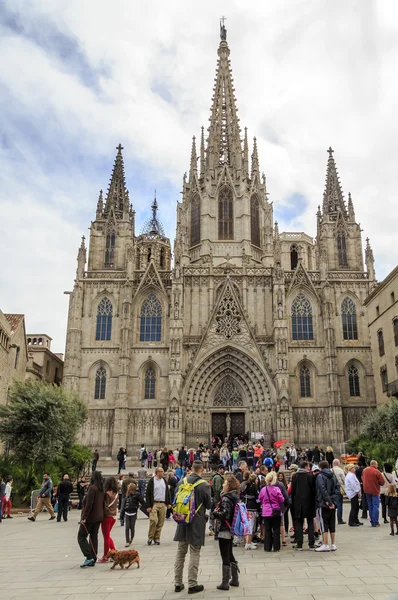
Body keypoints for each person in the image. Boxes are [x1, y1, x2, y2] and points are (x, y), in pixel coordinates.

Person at [173, 460, 212, 594]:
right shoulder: (204, 485)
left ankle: (178, 583)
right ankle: (192, 584)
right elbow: (209, 505)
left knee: (180, 552)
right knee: (195, 552)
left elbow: (175, 499)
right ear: (202, 469)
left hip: (182, 520)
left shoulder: (181, 482)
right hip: (196, 522)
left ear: (191, 469)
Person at [213, 474, 241, 590]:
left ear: (228, 485)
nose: (223, 484)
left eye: (225, 483)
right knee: (229, 553)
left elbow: (225, 515)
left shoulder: (226, 498)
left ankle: (225, 582)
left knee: (225, 555)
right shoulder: (234, 496)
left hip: (224, 529)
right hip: (230, 529)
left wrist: (215, 513)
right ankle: (235, 579)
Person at [77, 470, 105, 568]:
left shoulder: (92, 488)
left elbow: (89, 504)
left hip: (90, 517)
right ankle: (93, 557)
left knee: (81, 536)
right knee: (93, 536)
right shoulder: (101, 488)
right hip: (98, 517)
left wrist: (84, 517)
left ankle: (89, 556)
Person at [291, 461, 316, 550]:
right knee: (310, 522)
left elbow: (293, 491)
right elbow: (314, 490)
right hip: (309, 503)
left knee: (299, 524)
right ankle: (311, 544)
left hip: (298, 503)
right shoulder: (310, 476)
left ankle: (300, 544)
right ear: (306, 467)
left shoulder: (295, 476)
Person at [315, 460, 339, 552]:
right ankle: (333, 544)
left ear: (320, 468)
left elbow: (322, 489)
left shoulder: (320, 476)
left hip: (324, 502)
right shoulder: (333, 475)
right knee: (332, 522)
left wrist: (328, 501)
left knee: (323, 523)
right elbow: (337, 488)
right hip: (333, 502)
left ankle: (325, 544)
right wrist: (333, 500)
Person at [258, 472, 285, 552]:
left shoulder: (263, 489)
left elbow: (260, 499)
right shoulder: (276, 489)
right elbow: (282, 499)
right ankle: (276, 547)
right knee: (276, 529)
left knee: (267, 529)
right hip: (276, 511)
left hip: (266, 512)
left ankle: (267, 547)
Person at [145, 466, 172, 545]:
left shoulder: (164, 480)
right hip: (154, 503)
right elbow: (148, 493)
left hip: (163, 503)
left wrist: (169, 503)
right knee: (153, 520)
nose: (162, 473)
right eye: (160, 471)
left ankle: (156, 538)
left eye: (162, 471)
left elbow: (167, 492)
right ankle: (150, 537)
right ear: (157, 472)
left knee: (160, 522)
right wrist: (148, 506)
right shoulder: (152, 481)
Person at [97, 476, 119, 563]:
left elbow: (105, 506)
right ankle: (114, 552)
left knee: (106, 537)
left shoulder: (107, 493)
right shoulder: (116, 493)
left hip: (106, 517)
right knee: (108, 535)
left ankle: (106, 556)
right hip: (113, 516)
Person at [120, 482, 147, 547]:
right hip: (127, 512)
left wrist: (147, 507)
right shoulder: (126, 495)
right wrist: (121, 515)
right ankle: (127, 541)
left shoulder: (137, 495)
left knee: (132, 527)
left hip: (133, 513)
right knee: (127, 527)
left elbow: (142, 502)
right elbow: (123, 505)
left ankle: (131, 538)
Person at [362, 460, 385, 527]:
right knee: (375, 506)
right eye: (377, 465)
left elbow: (362, 478)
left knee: (370, 506)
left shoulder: (365, 470)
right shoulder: (376, 471)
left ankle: (372, 521)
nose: (377, 466)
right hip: (375, 490)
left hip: (366, 490)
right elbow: (382, 482)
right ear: (375, 464)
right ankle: (375, 522)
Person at [241, 471, 258, 550]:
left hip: (246, 507)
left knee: (246, 524)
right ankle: (248, 543)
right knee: (250, 525)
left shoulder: (245, 485)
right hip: (252, 507)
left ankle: (248, 541)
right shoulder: (254, 486)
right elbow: (257, 497)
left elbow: (242, 494)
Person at [332, 459, 346, 524]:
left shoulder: (330, 470)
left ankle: (332, 519)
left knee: (332, 504)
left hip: (331, 488)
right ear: (338, 463)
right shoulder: (340, 470)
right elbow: (344, 479)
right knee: (339, 504)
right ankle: (339, 519)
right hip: (338, 488)